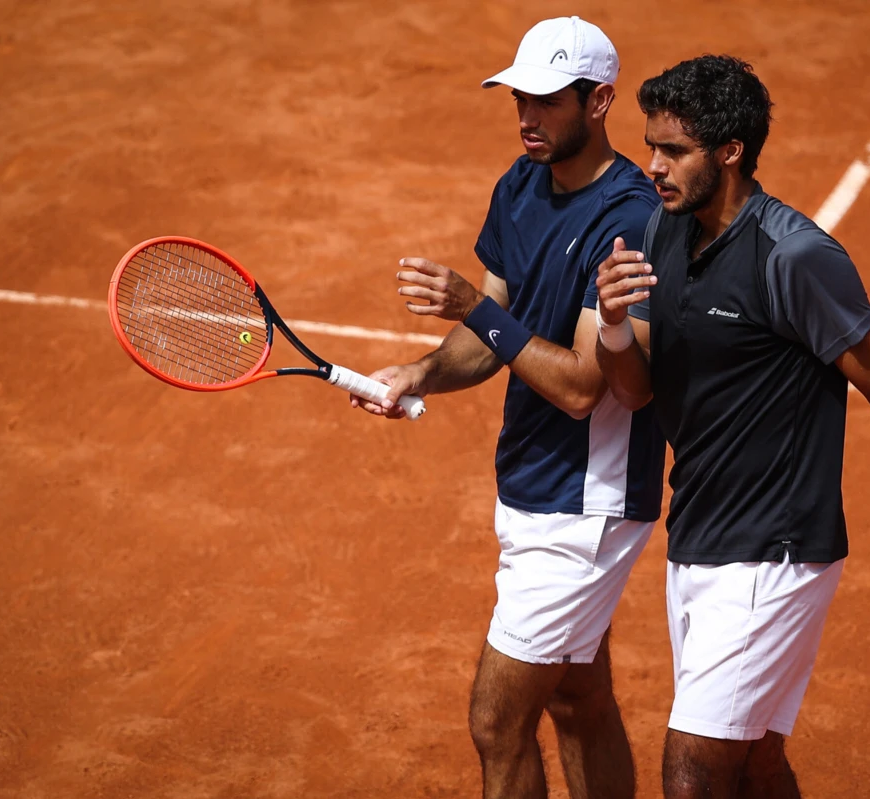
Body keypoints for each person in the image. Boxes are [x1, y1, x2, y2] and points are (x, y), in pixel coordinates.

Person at [593, 55, 870, 799]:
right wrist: (610, 325)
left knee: (692, 773)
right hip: (699, 535)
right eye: (651, 147)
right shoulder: (663, 230)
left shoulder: (794, 257)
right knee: (756, 762)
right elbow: (636, 392)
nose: (654, 167)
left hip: (775, 551)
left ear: (730, 152)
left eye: (673, 150)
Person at [351, 17, 665, 799]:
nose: (527, 116)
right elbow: (491, 338)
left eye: (548, 101)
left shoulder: (629, 217)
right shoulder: (520, 186)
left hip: (585, 506)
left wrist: (470, 305)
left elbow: (583, 385)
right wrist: (421, 372)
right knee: (578, 697)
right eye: (520, 97)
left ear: (599, 102)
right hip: (532, 484)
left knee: (497, 721)